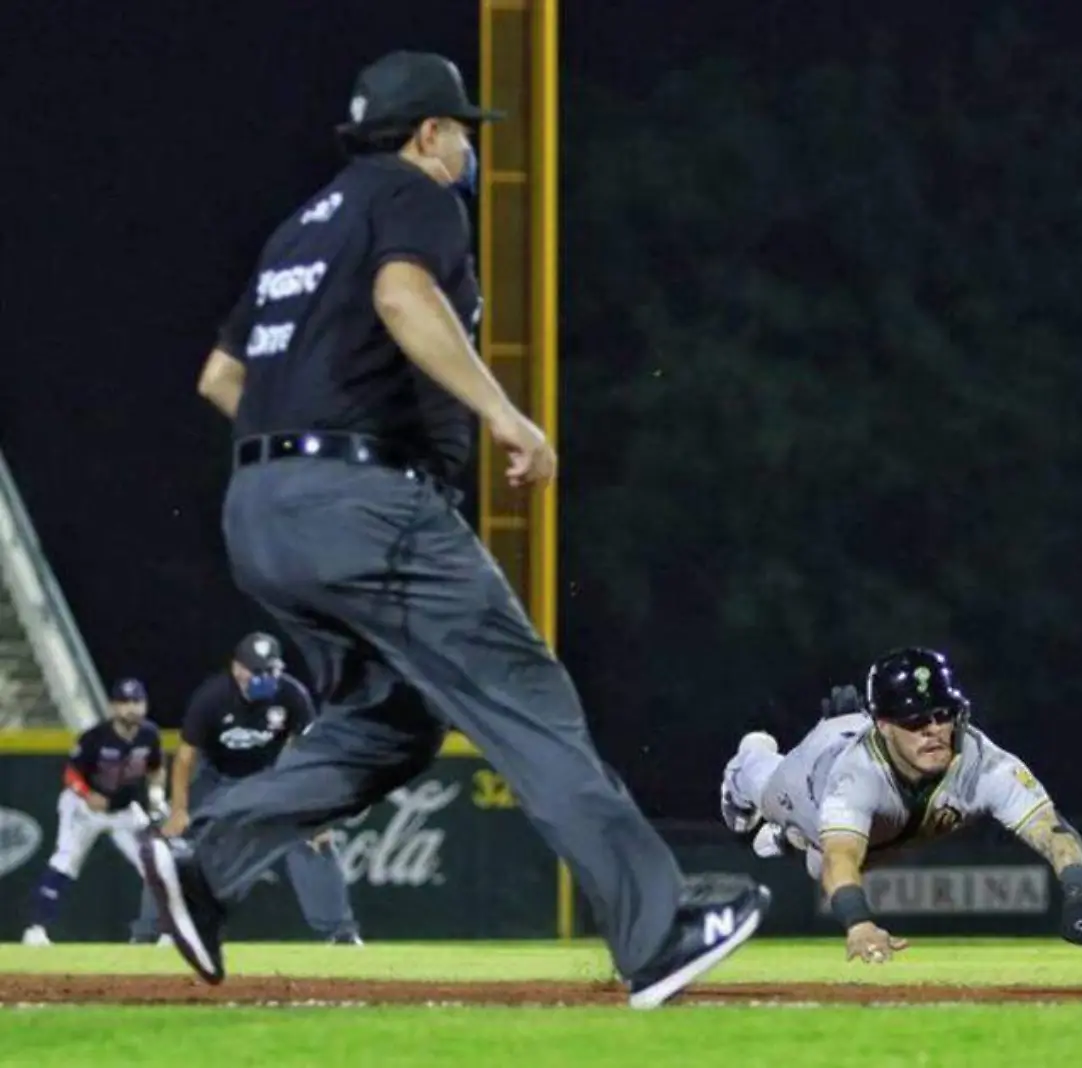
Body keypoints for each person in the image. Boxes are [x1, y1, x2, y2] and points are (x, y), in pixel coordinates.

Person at [142, 50, 767, 1008]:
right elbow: (403, 297)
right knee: (525, 697)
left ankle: (203, 862)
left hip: (261, 511)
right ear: (428, 133)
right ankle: (658, 932)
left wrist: (303, 455)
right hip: (366, 508)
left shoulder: (295, 232)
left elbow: (220, 380)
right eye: (462, 130)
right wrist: (504, 415)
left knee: (389, 725)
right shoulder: (415, 194)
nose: (470, 147)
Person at [719, 647, 1082, 962]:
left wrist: (1081, 895)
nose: (934, 729)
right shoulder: (854, 774)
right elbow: (841, 858)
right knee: (779, 804)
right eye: (914, 720)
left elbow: (1051, 829)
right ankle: (748, 766)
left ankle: (790, 841)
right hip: (813, 776)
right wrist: (858, 923)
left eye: (943, 714)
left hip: (882, 816)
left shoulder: (984, 763)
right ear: (885, 725)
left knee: (826, 858)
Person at [130, 633, 362, 945]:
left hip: (269, 778)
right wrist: (180, 811)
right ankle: (149, 933)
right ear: (238, 669)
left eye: (270, 670)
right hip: (216, 779)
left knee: (313, 839)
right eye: (257, 671)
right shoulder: (213, 697)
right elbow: (185, 757)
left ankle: (341, 932)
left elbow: (307, 751)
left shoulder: (292, 695)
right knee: (170, 844)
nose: (266, 678)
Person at [22, 679, 163, 945]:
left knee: (156, 866)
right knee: (65, 861)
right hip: (84, 807)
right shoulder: (96, 736)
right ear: (113, 707)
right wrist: (87, 794)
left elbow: (156, 769)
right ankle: (35, 929)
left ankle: (164, 932)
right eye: (125, 703)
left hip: (123, 810)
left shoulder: (149, 734)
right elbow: (71, 772)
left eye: (137, 702)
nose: (131, 708)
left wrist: (156, 796)